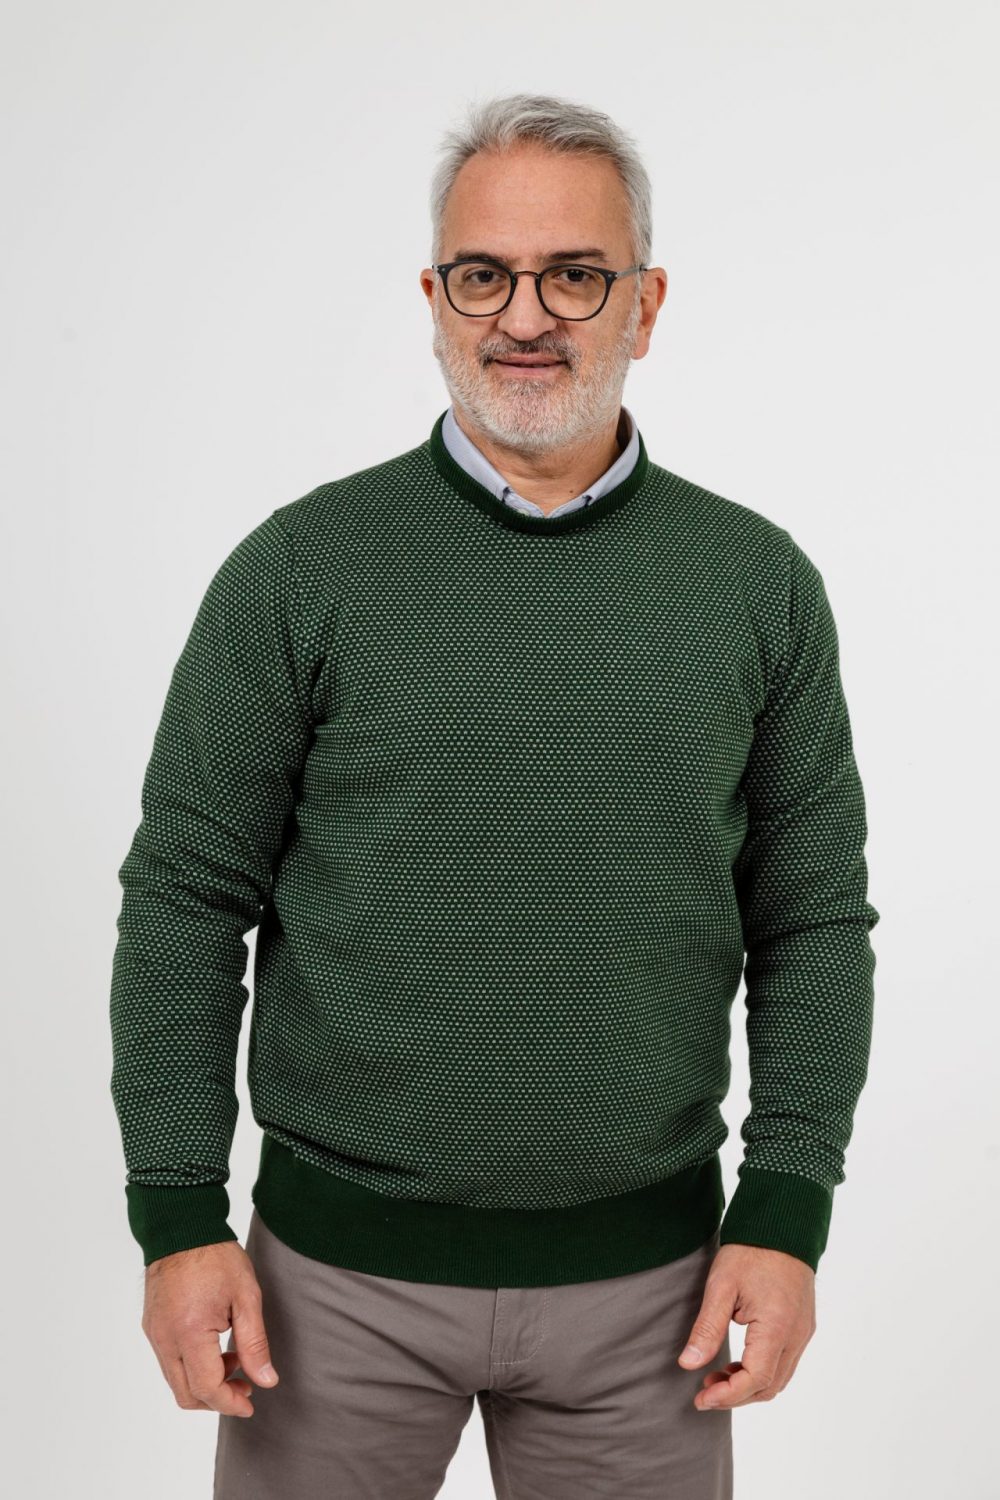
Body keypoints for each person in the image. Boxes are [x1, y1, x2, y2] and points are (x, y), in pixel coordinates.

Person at [109, 92, 880, 1500]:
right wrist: (176, 1219)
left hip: (653, 1298)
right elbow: (185, 900)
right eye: (484, 275)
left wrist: (787, 1210)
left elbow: (814, 920)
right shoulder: (302, 571)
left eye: (575, 274)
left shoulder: (754, 585)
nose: (525, 316)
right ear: (435, 301)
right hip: (328, 1294)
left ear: (645, 304)